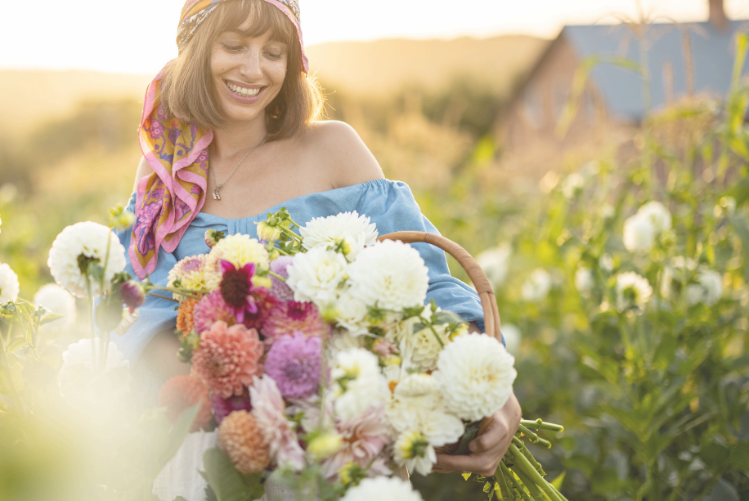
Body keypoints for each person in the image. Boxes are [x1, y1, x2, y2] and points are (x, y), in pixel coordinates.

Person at [111, 1, 521, 499]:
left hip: (342, 445)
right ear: (196, 52)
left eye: (273, 52)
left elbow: (426, 278)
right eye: (234, 46)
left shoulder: (332, 149)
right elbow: (137, 313)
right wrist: (252, 396)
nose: (254, 68)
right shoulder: (166, 173)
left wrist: (488, 381)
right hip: (210, 455)